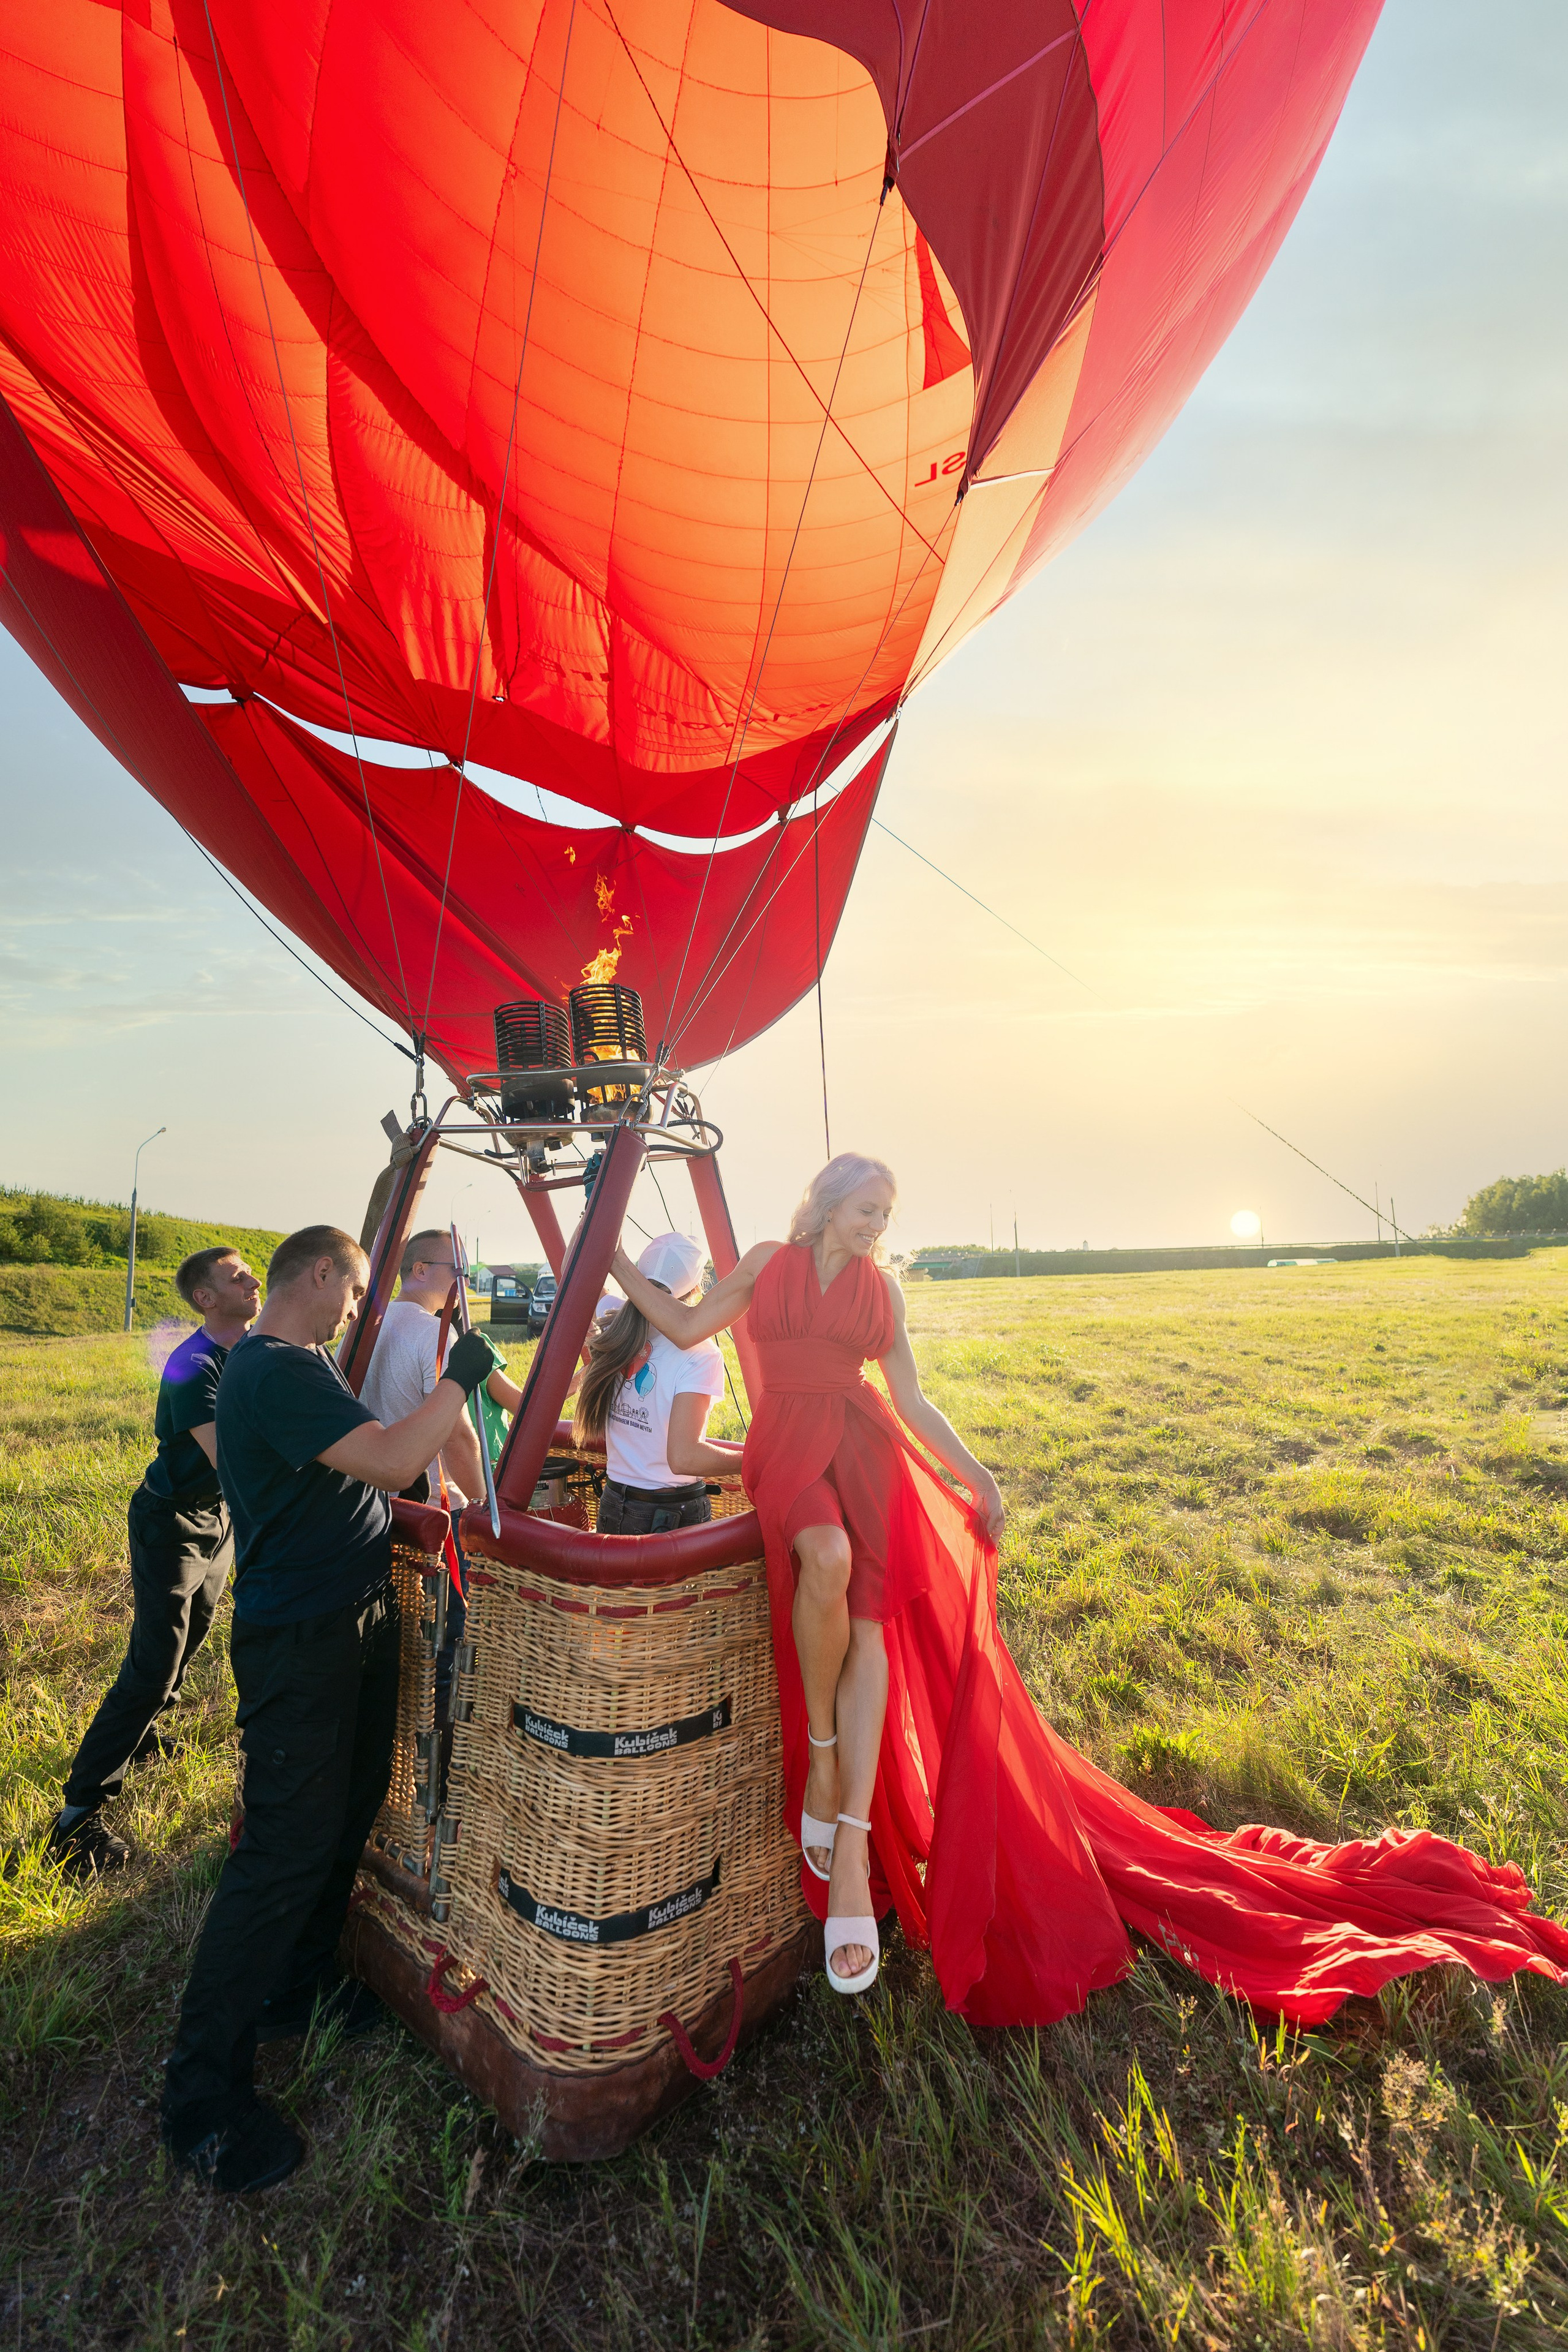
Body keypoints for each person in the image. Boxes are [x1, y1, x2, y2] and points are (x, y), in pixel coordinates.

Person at [613, 1153, 1568, 2024]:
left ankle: (852, 1839)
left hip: (868, 1452)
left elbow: (911, 1403)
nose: (877, 1227)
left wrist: (979, 1478)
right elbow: (688, 1321)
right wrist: (609, 1257)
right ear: (827, 1203)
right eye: (867, 1209)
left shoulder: (882, 1294)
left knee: (871, 1629)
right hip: (790, 1450)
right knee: (824, 1560)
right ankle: (824, 1759)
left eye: (888, 1214)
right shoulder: (771, 1264)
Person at [159, 1224, 497, 2196]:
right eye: (353, 1293)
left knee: (342, 1816)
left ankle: (293, 1986)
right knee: (278, 1855)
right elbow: (393, 1463)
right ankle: (200, 2100)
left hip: (344, 1621)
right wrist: (458, 1375)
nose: (359, 1311)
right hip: (301, 1641)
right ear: (319, 1277)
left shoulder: (293, 1363)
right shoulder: (271, 1368)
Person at [49, 1246, 261, 1879]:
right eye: (237, 1275)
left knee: (191, 1636)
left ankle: (142, 1739)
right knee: (153, 1662)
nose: (254, 1280)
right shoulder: (193, 1365)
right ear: (205, 1297)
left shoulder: (247, 1353)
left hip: (217, 1518)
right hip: (172, 1524)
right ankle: (77, 1816)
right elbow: (233, 1458)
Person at [575, 1234, 740, 1534]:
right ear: (695, 1289)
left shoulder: (613, 1316)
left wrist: (594, 1214)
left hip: (613, 1501)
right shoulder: (701, 1354)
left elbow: (573, 1268)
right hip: (668, 1513)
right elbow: (683, 1457)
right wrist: (754, 1459)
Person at [359, 1227, 524, 1509]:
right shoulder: (436, 1333)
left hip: (378, 1499)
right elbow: (457, 1436)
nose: (466, 1284)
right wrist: (484, 1507)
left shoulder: (366, 1326)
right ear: (420, 1270)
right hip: (435, 1504)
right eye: (458, 1272)